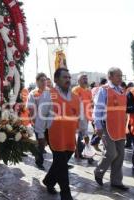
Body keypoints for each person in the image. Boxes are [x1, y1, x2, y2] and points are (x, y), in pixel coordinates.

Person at [38, 68, 87, 200]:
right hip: (54, 135)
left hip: (70, 136)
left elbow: (82, 117)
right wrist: (40, 135)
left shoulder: (76, 98)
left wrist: (85, 131)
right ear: (56, 80)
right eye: (64, 77)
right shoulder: (49, 94)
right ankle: (66, 195)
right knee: (61, 164)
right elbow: (41, 116)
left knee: (61, 162)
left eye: (69, 77)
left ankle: (49, 180)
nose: (68, 80)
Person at [93, 67, 129, 191]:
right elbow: (97, 109)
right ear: (110, 76)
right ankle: (98, 171)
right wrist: (97, 126)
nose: (120, 78)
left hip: (119, 127)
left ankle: (116, 181)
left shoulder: (121, 90)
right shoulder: (104, 90)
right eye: (118, 75)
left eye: (121, 75)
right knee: (111, 153)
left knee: (120, 155)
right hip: (106, 126)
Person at [27, 73, 48, 170]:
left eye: (45, 80)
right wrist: (34, 121)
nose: (44, 82)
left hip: (50, 123)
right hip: (39, 123)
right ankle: (39, 161)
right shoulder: (33, 93)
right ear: (37, 82)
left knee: (52, 144)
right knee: (41, 144)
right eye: (42, 80)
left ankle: (60, 162)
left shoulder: (49, 92)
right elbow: (31, 109)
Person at [72, 74, 93, 159]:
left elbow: (91, 102)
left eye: (86, 78)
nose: (85, 80)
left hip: (86, 115)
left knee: (82, 134)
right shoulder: (76, 90)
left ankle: (79, 153)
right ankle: (87, 154)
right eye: (83, 78)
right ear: (78, 81)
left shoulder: (88, 90)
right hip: (79, 115)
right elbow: (73, 102)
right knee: (84, 134)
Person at [90, 78, 108, 151]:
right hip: (99, 115)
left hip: (95, 114)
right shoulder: (101, 90)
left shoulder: (95, 89)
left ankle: (94, 144)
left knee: (97, 132)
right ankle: (93, 144)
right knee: (99, 132)